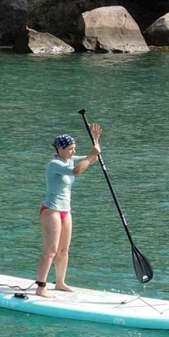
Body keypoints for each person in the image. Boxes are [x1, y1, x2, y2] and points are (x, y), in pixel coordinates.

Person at [36, 124, 101, 297]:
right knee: (51, 250)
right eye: (70, 149)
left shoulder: (69, 159)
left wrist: (96, 141)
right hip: (51, 210)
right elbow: (77, 170)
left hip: (66, 210)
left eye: (74, 149)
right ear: (60, 149)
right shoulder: (54, 164)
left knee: (64, 250)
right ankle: (41, 287)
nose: (73, 152)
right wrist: (91, 156)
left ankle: (60, 282)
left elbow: (92, 158)